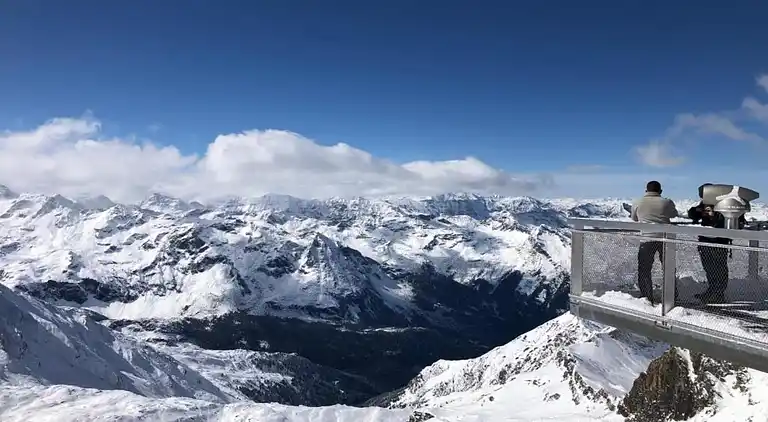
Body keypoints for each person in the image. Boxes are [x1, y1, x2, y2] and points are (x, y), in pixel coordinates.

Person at [687, 183, 746, 303]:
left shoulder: (725, 203)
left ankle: (718, 293)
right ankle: (712, 291)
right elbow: (692, 214)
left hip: (719, 240)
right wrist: (698, 211)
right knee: (709, 267)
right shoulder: (704, 204)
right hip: (706, 240)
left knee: (719, 268)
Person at [631, 181, 679, 304]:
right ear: (660, 191)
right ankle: (671, 295)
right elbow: (674, 214)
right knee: (668, 268)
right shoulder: (666, 202)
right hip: (666, 238)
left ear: (646, 190)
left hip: (647, 238)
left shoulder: (637, 201)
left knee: (644, 269)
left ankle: (647, 297)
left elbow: (634, 218)